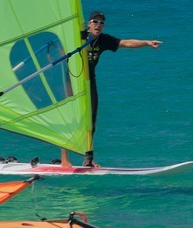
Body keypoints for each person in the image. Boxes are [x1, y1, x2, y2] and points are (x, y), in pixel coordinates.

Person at [68, 11, 162, 168]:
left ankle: (88, 159)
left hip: (89, 82)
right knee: (70, 118)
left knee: (91, 121)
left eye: (101, 23)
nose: (98, 25)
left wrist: (146, 42)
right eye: (95, 21)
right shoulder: (78, 36)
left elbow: (126, 43)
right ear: (88, 24)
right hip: (71, 81)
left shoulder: (104, 40)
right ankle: (65, 158)